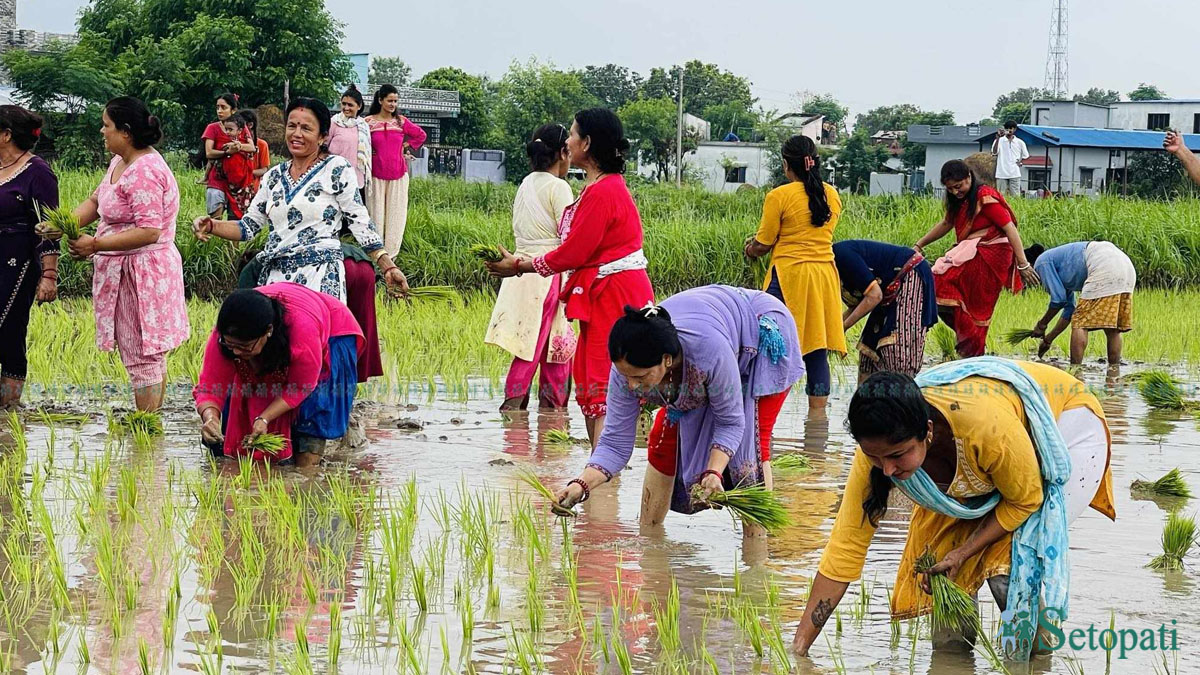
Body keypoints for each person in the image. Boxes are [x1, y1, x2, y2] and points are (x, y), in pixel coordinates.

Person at [792, 358, 1116, 658]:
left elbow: (1025, 499)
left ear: (928, 432)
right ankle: (953, 660)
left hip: (1066, 428)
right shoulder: (876, 453)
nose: (887, 470)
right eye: (877, 458)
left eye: (897, 455)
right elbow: (845, 547)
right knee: (943, 579)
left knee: (1007, 571)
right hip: (996, 458)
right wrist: (798, 651)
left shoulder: (987, 429)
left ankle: (1036, 658)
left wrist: (964, 551)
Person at [553, 287, 804, 545]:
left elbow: (730, 421)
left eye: (639, 378)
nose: (631, 386)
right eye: (626, 376)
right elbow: (614, 443)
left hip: (758, 338)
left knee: (751, 446)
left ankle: (756, 549)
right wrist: (580, 485)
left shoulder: (708, 352)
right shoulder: (628, 368)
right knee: (663, 439)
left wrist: (714, 472)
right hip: (711, 337)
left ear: (667, 361)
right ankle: (650, 539)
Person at [485, 108, 654, 446]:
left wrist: (519, 266)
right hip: (601, 289)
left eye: (574, 135)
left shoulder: (603, 192)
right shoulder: (598, 188)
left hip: (612, 292)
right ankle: (602, 477)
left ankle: (603, 475)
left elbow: (573, 253)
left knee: (601, 378)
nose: (570, 142)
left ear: (587, 144)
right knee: (591, 372)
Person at [192, 97, 409, 303]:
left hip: (320, 277)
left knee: (313, 341)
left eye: (306, 128)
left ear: (323, 136)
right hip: (276, 278)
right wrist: (212, 225)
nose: (296, 134)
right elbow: (248, 227)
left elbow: (360, 222)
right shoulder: (274, 176)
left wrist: (388, 266)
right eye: (292, 126)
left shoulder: (336, 169)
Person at [61, 97, 189, 412]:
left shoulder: (145, 170)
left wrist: (94, 245)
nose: (102, 131)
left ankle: (146, 426)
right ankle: (150, 422)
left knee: (142, 351)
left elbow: (149, 231)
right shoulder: (121, 162)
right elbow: (96, 202)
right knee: (143, 352)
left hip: (142, 273)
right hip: (126, 269)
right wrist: (60, 225)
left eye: (107, 125)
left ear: (126, 132)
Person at [193, 284, 364, 466]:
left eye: (243, 347)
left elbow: (301, 386)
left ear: (268, 332)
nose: (235, 352)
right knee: (238, 399)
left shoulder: (301, 333)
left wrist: (264, 418)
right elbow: (210, 386)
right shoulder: (227, 334)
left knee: (313, 414)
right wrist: (210, 418)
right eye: (230, 345)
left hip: (332, 329)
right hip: (279, 327)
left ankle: (309, 472)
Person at [745, 135, 846, 413]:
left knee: (768, 343)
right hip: (824, 276)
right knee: (817, 349)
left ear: (787, 165)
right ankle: (817, 421)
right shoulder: (832, 194)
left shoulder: (778, 196)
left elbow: (763, 243)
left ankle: (762, 415)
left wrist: (750, 250)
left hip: (789, 277)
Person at [484, 124, 576, 411]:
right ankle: (522, 410)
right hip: (546, 273)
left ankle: (534, 417)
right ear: (562, 153)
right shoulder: (559, 187)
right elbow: (570, 239)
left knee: (537, 344)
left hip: (520, 269)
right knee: (542, 347)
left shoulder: (526, 182)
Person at [914, 160, 1039, 358]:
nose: (956, 192)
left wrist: (1023, 264)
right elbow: (947, 223)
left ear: (969, 177)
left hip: (991, 254)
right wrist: (919, 245)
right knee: (940, 289)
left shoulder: (985, 197)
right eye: (951, 189)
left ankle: (971, 347)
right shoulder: (958, 200)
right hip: (970, 251)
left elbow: (1009, 228)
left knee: (960, 294)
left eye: (959, 186)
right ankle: (970, 343)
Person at [237, 233, 384, 384]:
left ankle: (323, 383)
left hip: (334, 267)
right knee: (352, 330)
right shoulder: (279, 252)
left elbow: (246, 317)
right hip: (363, 267)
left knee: (323, 333)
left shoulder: (252, 270)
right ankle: (347, 385)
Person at [0, 106, 58, 408]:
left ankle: (8, 410)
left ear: (7, 134)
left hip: (17, 262)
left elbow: (46, 227)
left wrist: (49, 275)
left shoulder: (37, 172)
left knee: (8, 331)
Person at [833, 239, 937, 381]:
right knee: (869, 353)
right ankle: (865, 401)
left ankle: (899, 399)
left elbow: (874, 296)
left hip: (909, 274)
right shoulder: (835, 266)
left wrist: (842, 328)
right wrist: (835, 328)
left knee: (896, 350)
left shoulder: (841, 255)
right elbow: (859, 304)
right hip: (887, 289)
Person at [1023, 242, 1136, 366]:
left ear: (1030, 265)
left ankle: (1075, 370)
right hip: (1125, 267)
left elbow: (1058, 300)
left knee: (1080, 324)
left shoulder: (1041, 262)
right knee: (1112, 329)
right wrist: (1048, 339)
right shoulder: (1060, 262)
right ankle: (1114, 372)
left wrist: (1042, 324)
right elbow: (1069, 310)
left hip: (1103, 266)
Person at [365, 84, 427, 257]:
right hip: (376, 175)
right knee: (375, 215)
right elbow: (360, 143)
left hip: (398, 174)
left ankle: (391, 257)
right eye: (389, 100)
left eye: (395, 101)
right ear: (380, 100)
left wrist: (407, 146)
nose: (393, 104)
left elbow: (421, 135)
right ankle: (375, 256)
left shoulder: (401, 121)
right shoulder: (368, 122)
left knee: (395, 217)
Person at [200, 93, 254, 219]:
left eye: (223, 107)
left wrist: (238, 147)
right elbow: (209, 152)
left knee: (235, 219)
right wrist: (227, 152)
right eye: (217, 107)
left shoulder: (241, 127)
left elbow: (252, 147)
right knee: (215, 219)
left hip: (238, 181)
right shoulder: (212, 128)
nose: (219, 111)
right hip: (217, 179)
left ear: (233, 110)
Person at [329, 84, 372, 201]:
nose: (346, 108)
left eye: (350, 105)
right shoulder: (333, 123)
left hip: (356, 179)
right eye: (344, 104)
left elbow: (366, 155)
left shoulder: (363, 126)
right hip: (334, 177)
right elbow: (323, 147)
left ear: (359, 106)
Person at [218, 114, 255, 218]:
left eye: (230, 129)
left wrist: (238, 146)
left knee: (243, 215)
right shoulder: (225, 141)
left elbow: (252, 148)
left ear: (240, 131)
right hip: (230, 186)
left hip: (243, 185)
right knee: (232, 214)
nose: (228, 132)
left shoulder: (245, 143)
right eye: (226, 129)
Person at [237, 109, 272, 193]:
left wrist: (248, 173)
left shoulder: (262, 144)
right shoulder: (236, 144)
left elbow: (264, 169)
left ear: (250, 125)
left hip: (254, 189)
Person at [991, 121, 1029, 197]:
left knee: (1016, 196)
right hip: (1001, 173)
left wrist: (1021, 162)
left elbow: (1026, 156)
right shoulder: (999, 141)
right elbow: (994, 153)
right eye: (1007, 128)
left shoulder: (1020, 142)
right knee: (1001, 196)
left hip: (1014, 173)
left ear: (1015, 129)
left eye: (1011, 128)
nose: (1009, 130)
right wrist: (998, 139)